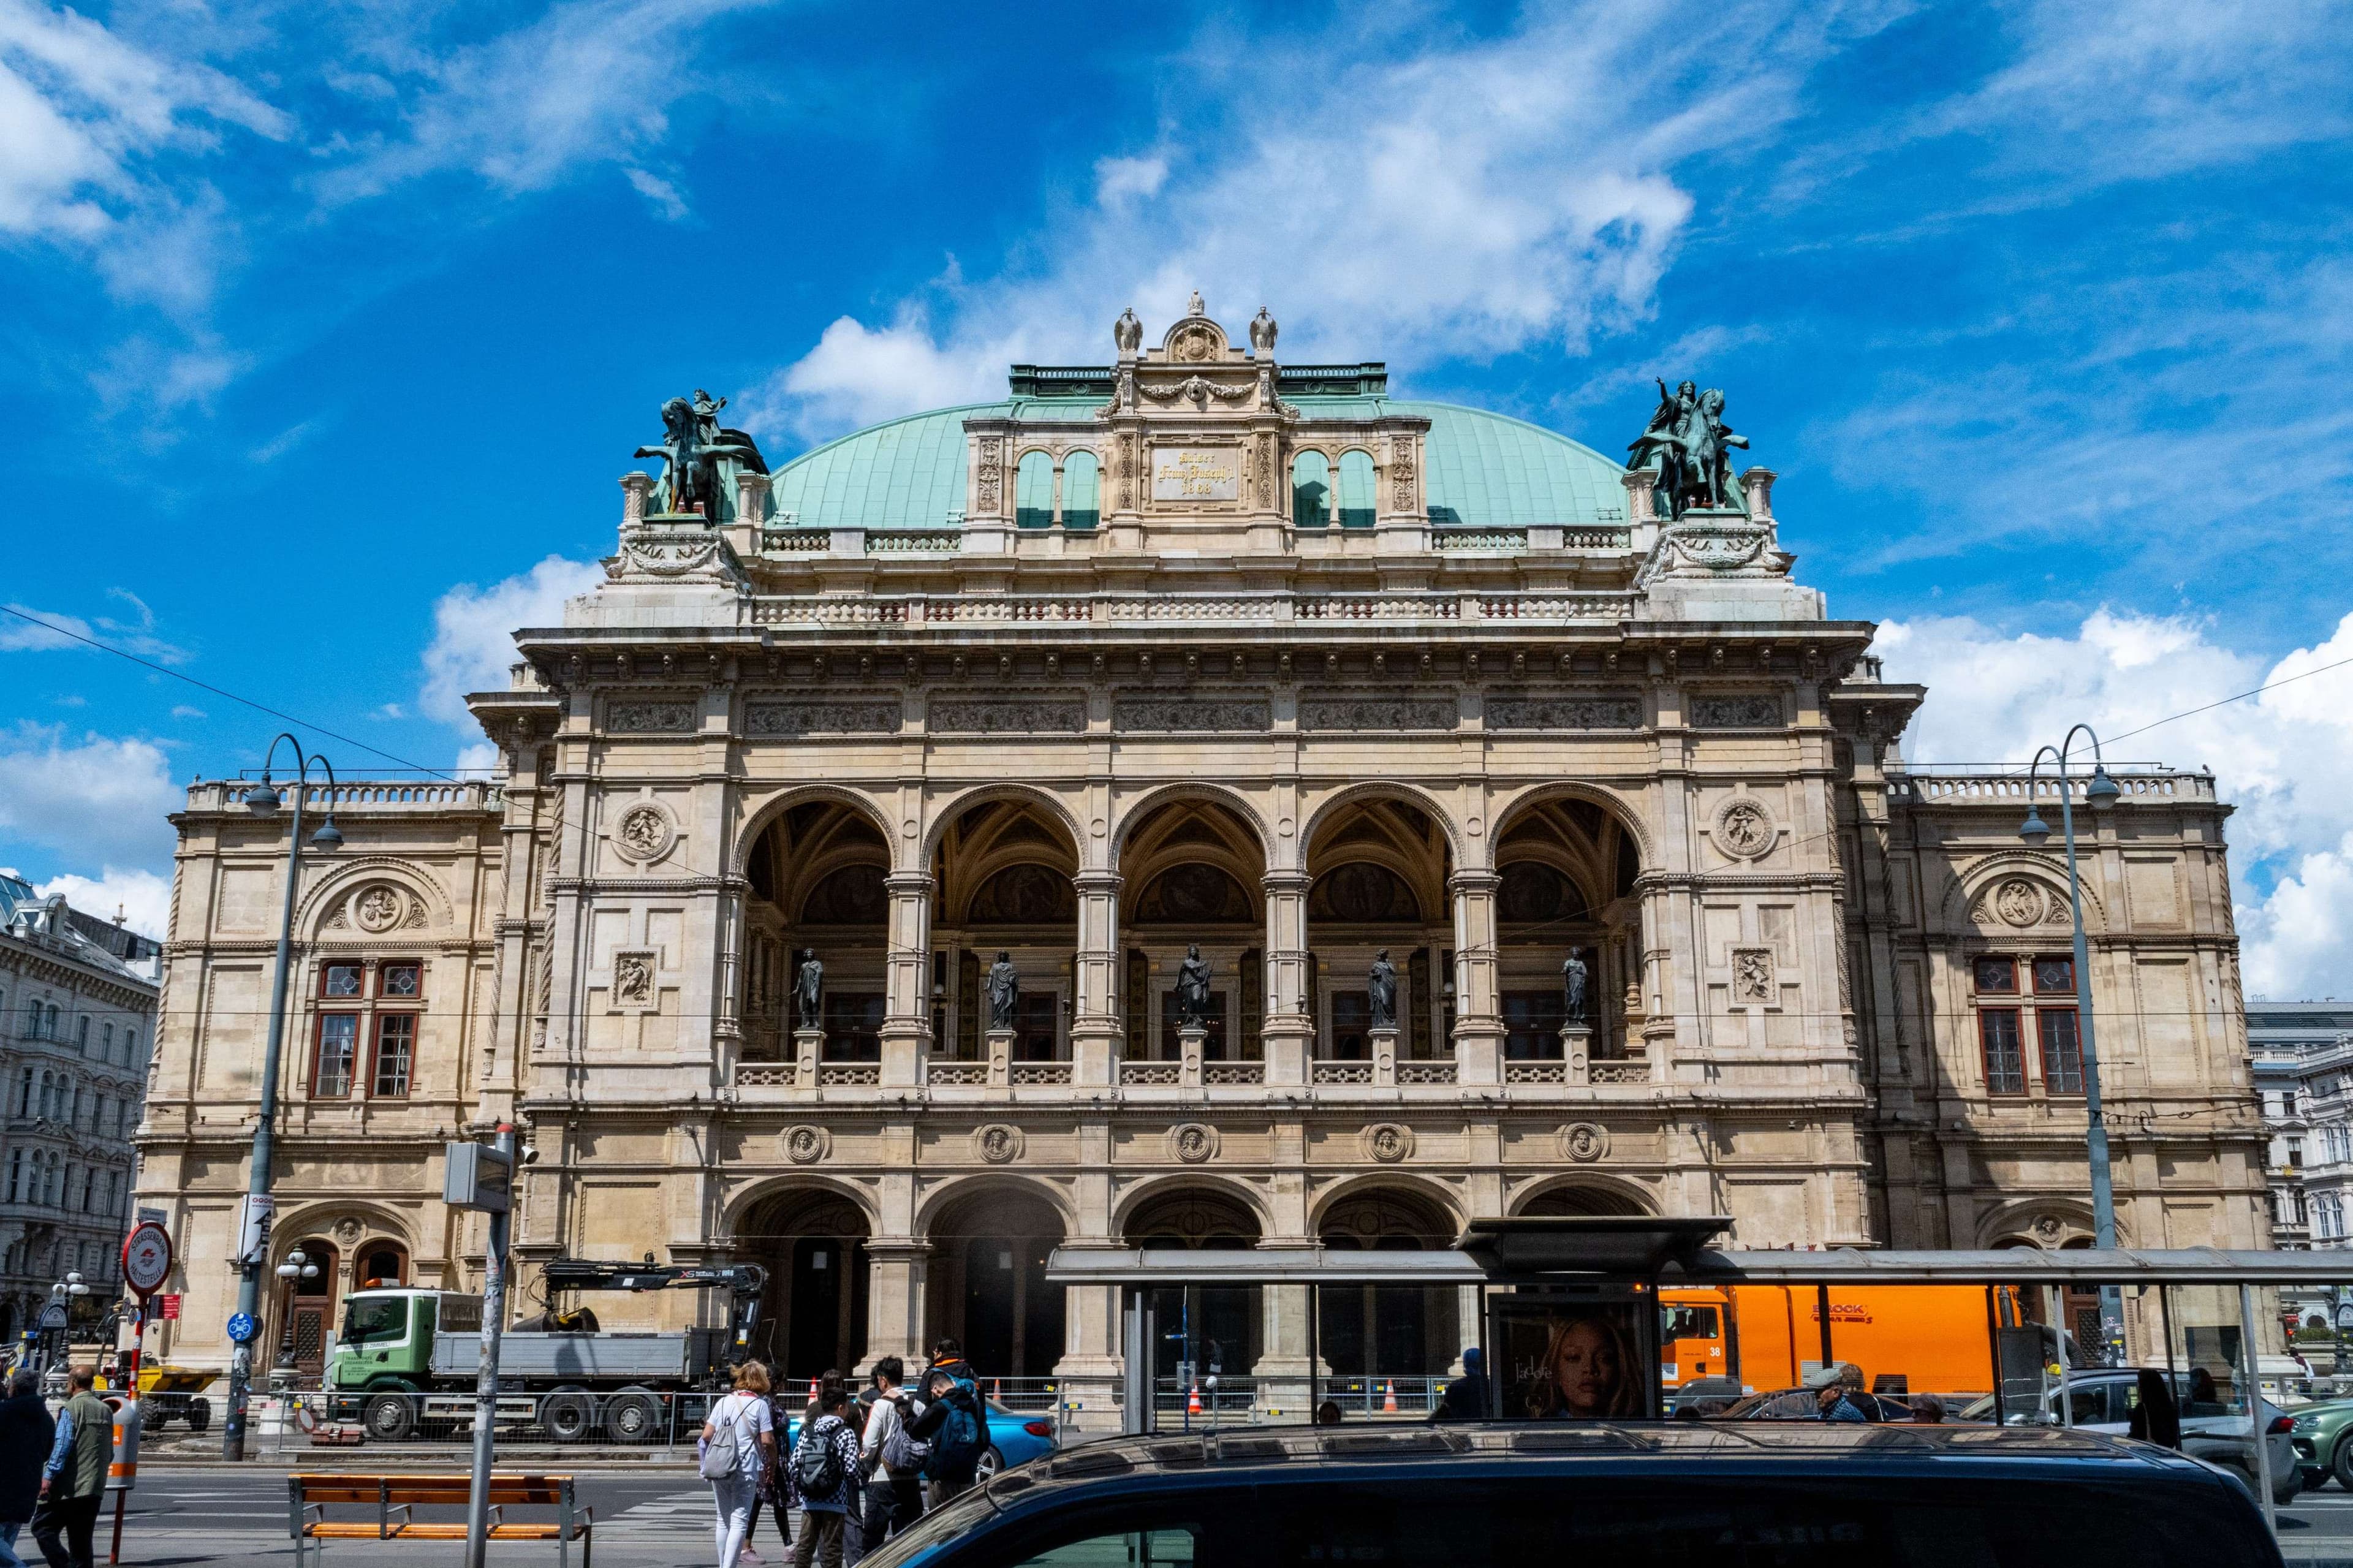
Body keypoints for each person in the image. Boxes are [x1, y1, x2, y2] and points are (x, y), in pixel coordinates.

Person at [31, 1366, 108, 1568]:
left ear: (72, 1383)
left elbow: (62, 1446)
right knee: (81, 1543)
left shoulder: (72, 1408)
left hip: (70, 1487)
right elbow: (109, 1451)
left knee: (42, 1528)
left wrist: (48, 1477)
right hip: (94, 1486)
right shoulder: (105, 1409)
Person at [703, 1362, 778, 1568]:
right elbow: (767, 1440)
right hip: (746, 1467)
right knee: (739, 1521)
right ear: (761, 1381)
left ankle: (722, 1564)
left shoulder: (724, 1402)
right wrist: (772, 1460)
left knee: (723, 1519)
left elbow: (707, 1434)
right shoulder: (760, 1405)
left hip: (721, 1466)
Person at [855, 1358, 922, 1551]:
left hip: (883, 1480)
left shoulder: (881, 1405)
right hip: (911, 1480)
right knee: (908, 1543)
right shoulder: (916, 1405)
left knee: (872, 1541)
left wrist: (866, 1462)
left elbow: (869, 1443)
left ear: (883, 1380)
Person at [790, 1387, 861, 1568]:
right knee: (832, 1550)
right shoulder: (846, 1433)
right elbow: (852, 1470)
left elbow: (793, 1466)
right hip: (835, 1501)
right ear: (840, 1408)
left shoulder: (808, 1431)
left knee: (805, 1548)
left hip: (810, 1499)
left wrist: (808, 1483)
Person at [1526, 1316, 1638, 1419]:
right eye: (1573, 1358)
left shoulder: (1640, 1428)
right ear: (1556, 1371)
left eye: (1604, 1358)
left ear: (1620, 1368)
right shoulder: (1540, 1432)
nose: (1589, 1368)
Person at [0, 1371, 53, 1568]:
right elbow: (48, 1451)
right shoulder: (45, 1418)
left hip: (3, 1485)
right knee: (7, 1544)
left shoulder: (5, 1413)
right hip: (27, 1487)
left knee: (6, 1556)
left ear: (14, 1387)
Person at [1430, 1347, 1488, 1423]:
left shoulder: (1455, 1387)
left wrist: (1428, 1424)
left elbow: (1444, 1410)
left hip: (1460, 1426)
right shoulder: (1491, 1387)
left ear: (1465, 1364)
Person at [2128, 1369, 2181, 1448]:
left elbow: (2136, 1435)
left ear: (2143, 1387)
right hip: (2167, 1452)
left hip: (2151, 1453)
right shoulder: (2169, 1406)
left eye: (2139, 1383)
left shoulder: (2142, 1409)